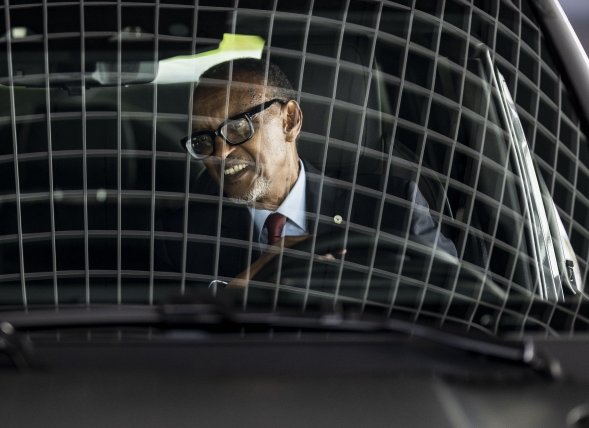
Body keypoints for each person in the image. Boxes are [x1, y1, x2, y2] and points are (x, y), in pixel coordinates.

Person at [157, 58, 457, 289]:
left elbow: (455, 304)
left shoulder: (390, 208)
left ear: (290, 120)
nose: (220, 154)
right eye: (204, 140)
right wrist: (249, 283)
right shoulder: (183, 239)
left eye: (238, 127)